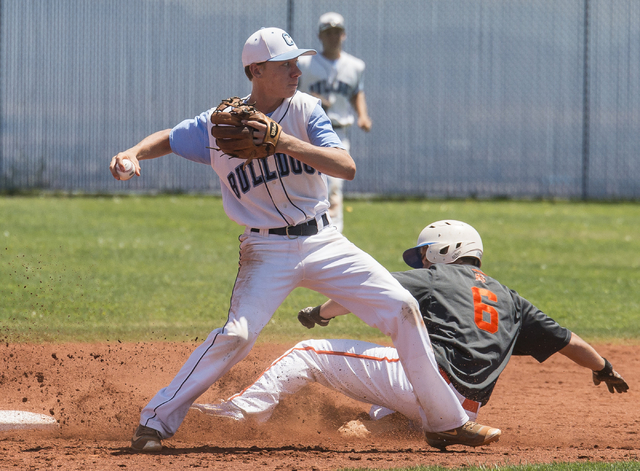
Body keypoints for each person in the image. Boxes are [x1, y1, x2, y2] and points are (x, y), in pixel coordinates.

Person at [110, 29, 497, 452]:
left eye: (298, 62)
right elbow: (170, 136)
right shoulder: (220, 124)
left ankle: (445, 421)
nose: (297, 70)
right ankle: (155, 420)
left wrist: (283, 141)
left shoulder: (307, 110)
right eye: (285, 64)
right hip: (266, 250)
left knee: (402, 307)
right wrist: (132, 153)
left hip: (324, 241)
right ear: (256, 70)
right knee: (237, 335)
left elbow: (345, 166)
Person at [192, 220, 629, 450]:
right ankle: (375, 426)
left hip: (427, 386)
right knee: (401, 377)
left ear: (443, 252)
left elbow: (366, 289)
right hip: (466, 409)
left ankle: (242, 413)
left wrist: (319, 312)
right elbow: (570, 341)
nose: (423, 262)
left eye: (425, 254)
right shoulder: (513, 301)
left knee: (307, 352)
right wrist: (605, 368)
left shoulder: (439, 278)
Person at [297, 12, 372, 233]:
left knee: (333, 184)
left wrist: (363, 115)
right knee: (306, 182)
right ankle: (306, 227)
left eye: (337, 32)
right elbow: (290, 92)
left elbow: (357, 92)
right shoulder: (305, 63)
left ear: (344, 35)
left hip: (337, 132)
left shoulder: (355, 66)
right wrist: (312, 98)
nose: (333, 37)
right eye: (328, 33)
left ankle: (333, 233)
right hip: (306, 130)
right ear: (320, 36)